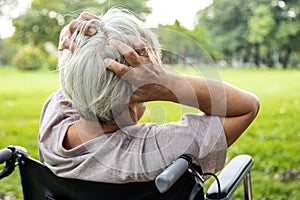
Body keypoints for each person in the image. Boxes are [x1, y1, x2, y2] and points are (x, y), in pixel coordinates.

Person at [38, 8, 260, 183]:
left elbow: (77, 85)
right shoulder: (155, 152)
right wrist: (165, 83)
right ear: (136, 98)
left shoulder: (53, 122)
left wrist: (71, 52)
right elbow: (247, 106)